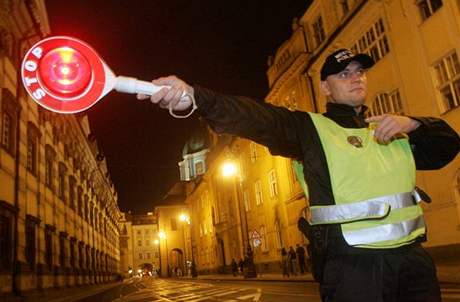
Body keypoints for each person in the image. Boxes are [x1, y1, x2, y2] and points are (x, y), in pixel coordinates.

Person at [138, 48, 460, 302]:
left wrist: (415, 124)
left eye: (360, 72)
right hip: (355, 269)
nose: (356, 78)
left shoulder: (392, 130)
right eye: (343, 74)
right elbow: (255, 117)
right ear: (325, 87)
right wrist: (195, 97)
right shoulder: (311, 130)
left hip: (414, 262)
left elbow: (447, 146)